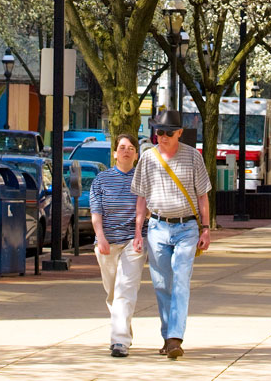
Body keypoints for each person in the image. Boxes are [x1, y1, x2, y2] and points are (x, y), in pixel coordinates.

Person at [132, 109, 212, 360]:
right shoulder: (147, 158)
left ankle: (176, 337)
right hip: (157, 227)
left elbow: (202, 196)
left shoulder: (193, 157)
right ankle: (168, 337)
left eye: (167, 132)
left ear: (179, 133)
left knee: (180, 281)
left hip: (187, 228)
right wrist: (138, 231)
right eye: (158, 132)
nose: (162, 137)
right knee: (161, 284)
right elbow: (141, 198)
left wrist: (206, 229)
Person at [91, 134, 145, 358]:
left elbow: (145, 209)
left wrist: (139, 234)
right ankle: (123, 332)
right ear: (114, 153)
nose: (126, 151)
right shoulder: (101, 180)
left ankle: (119, 342)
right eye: (122, 147)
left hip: (133, 243)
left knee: (125, 290)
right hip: (107, 243)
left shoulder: (141, 180)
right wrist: (100, 237)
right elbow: (96, 213)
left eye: (131, 148)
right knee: (113, 292)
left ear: (136, 154)